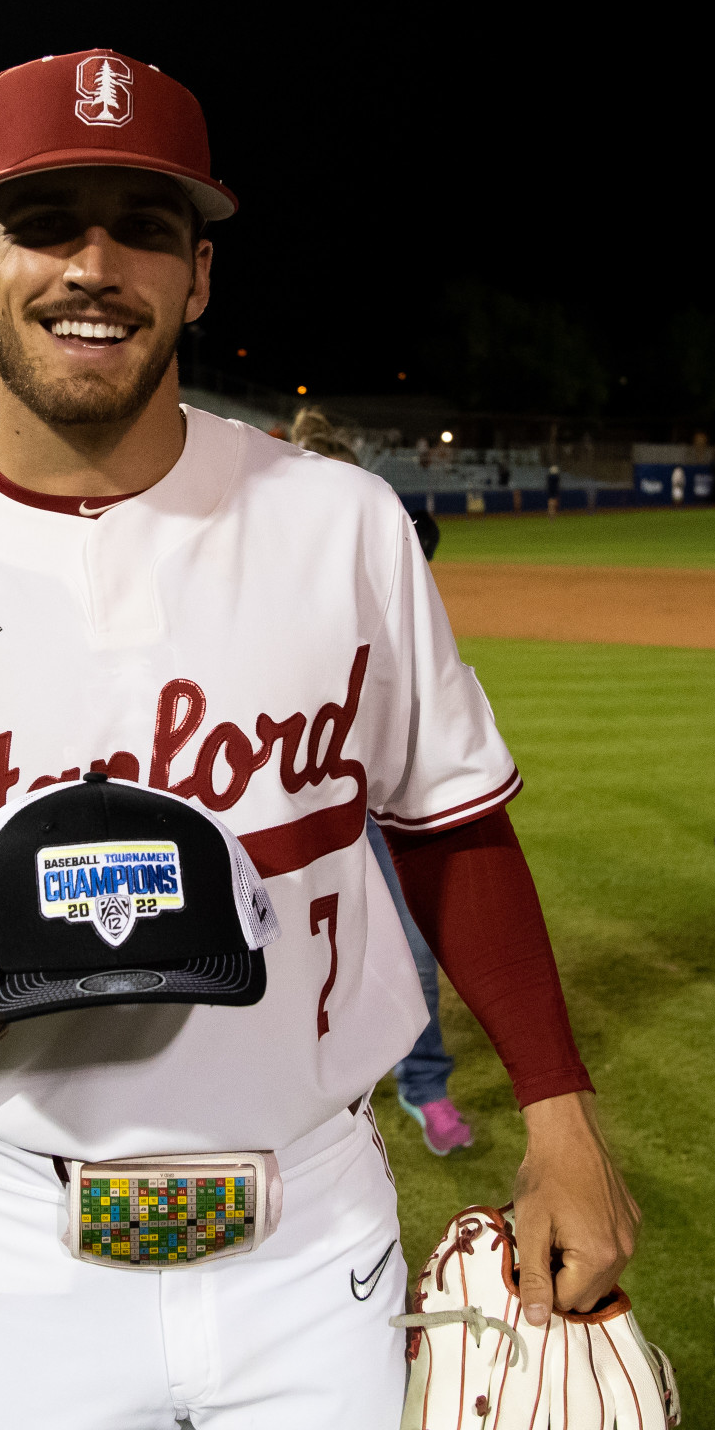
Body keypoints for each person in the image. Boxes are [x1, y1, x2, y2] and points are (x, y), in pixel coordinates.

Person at [0, 50, 636, 1430]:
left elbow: (448, 825)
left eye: (144, 226)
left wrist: (559, 1117)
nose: (93, 264)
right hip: (20, 1251)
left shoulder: (340, 525)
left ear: (198, 278)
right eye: (46, 219)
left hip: (317, 1242)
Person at [289, 404, 476, 1157]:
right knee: (283, 945)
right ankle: (305, 1087)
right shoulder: (257, 563)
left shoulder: (379, 552)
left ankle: (424, 1085)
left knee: (414, 947)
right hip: (290, 794)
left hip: (379, 790)